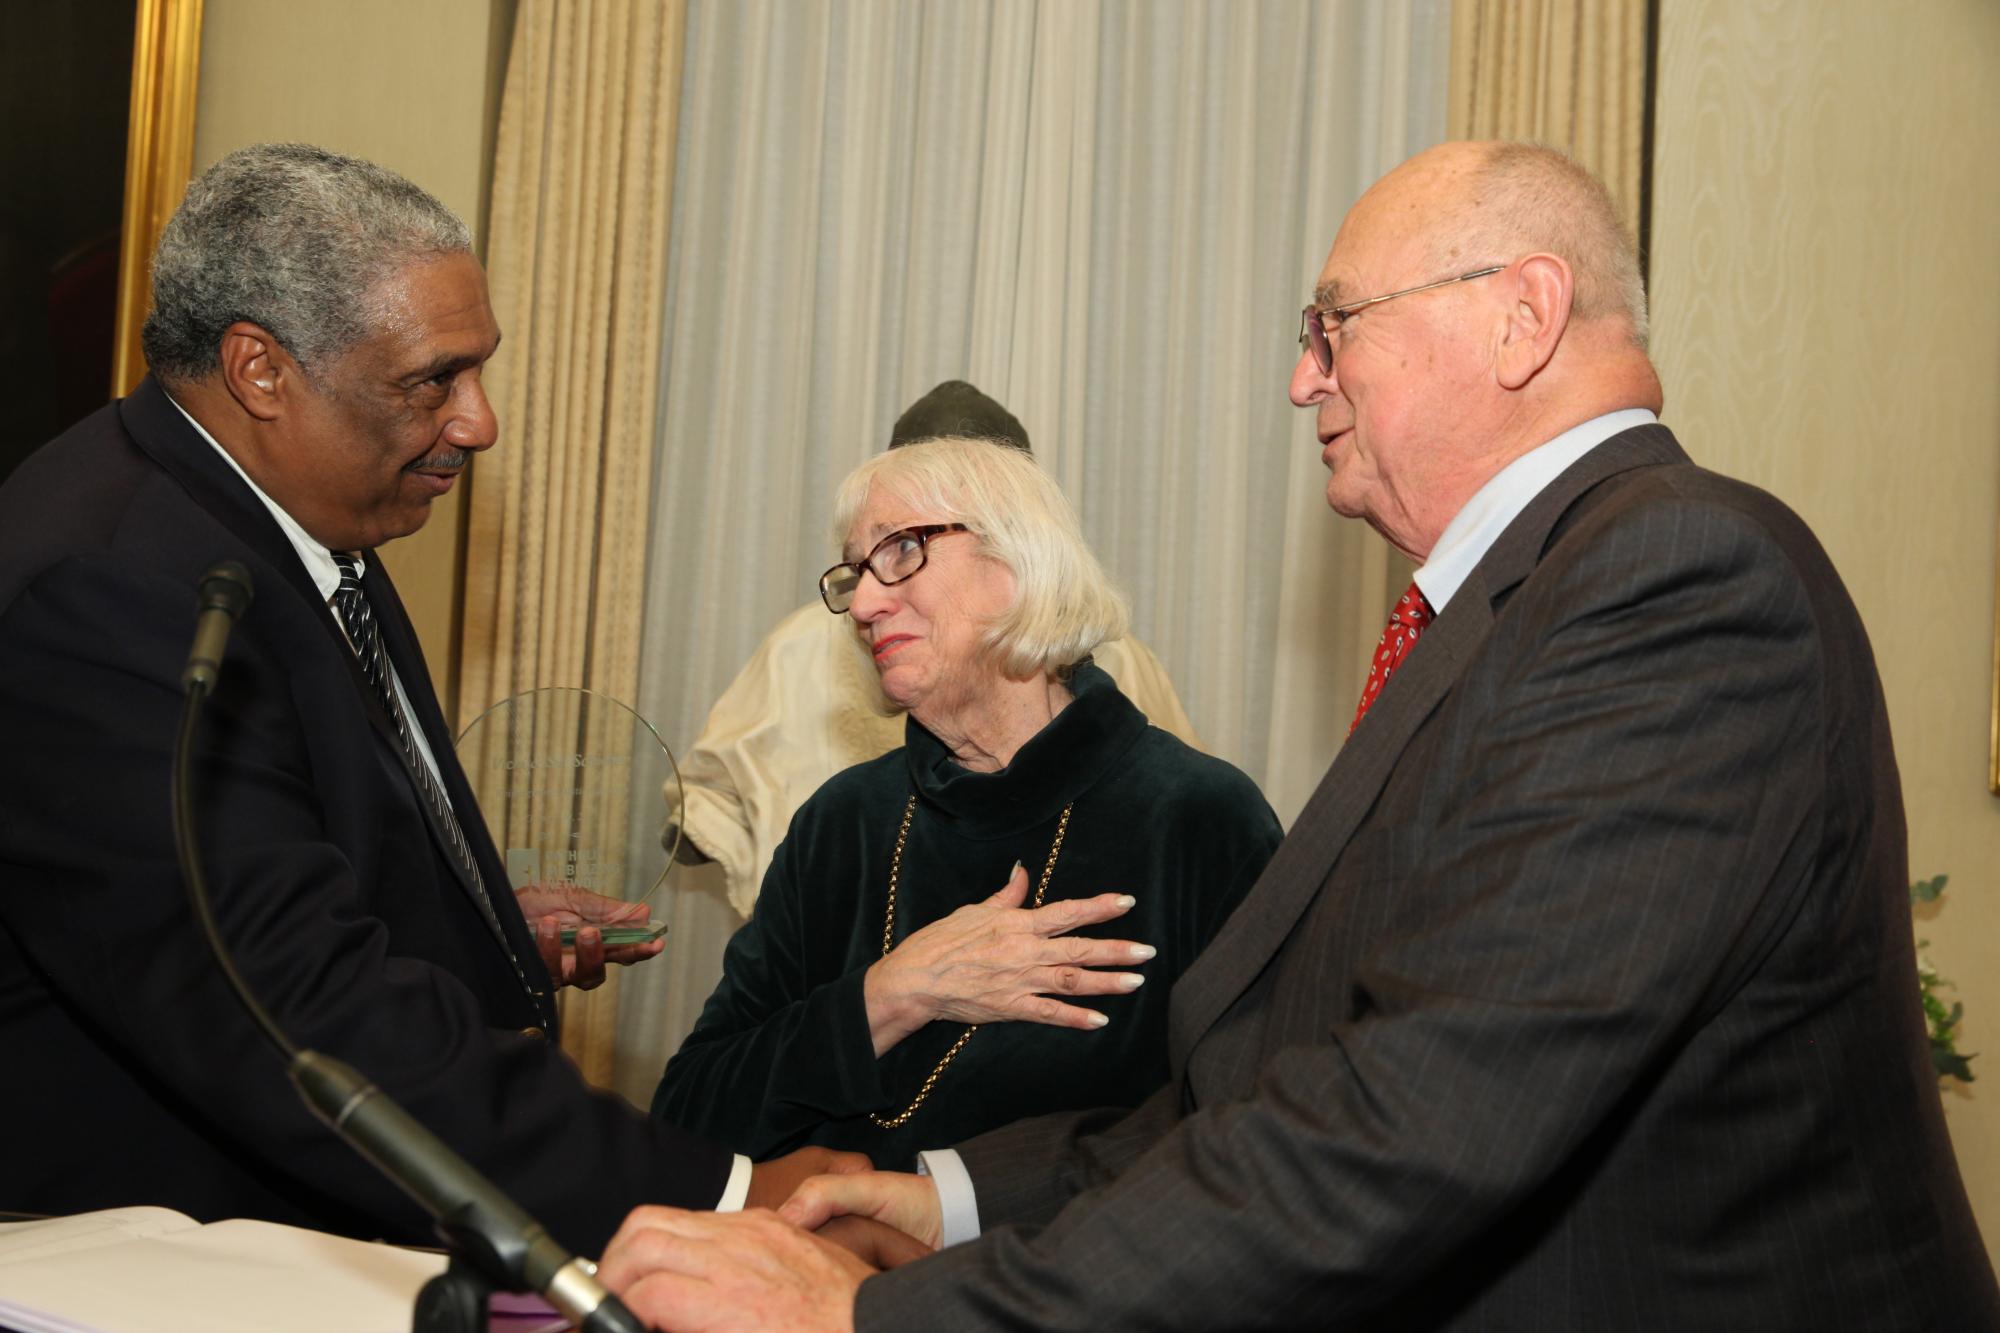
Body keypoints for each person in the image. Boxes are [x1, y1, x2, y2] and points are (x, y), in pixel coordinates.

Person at [595, 141, 2000, 1329]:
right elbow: (1269, 1075)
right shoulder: (1521, 606)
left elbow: (1421, 1114)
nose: (1299, 379)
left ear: (1523, 314)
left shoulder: (1672, 578)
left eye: (1335, 326)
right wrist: (956, 1196)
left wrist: (866, 1316)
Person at [0, 143, 855, 1255]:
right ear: (260, 370)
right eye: (431, 379)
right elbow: (299, 1018)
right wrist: (731, 1198)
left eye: (479, 370)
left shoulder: (282, 518)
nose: (479, 422)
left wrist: (475, 927)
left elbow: (278, 852)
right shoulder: (120, 592)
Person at [651, 436, 1281, 1170]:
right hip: (821, 1277)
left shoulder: (1199, 819)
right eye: (856, 571)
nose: (862, 603)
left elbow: (1251, 1143)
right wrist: (888, 997)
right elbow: (686, 1119)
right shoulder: (841, 823)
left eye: (899, 551)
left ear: (1017, 560)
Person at [670, 379, 1202, 918]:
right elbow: (706, 806)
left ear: (1013, 540)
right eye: (877, 554)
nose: (866, 608)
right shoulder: (828, 790)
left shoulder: (1118, 660)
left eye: (909, 545)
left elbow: (1167, 809)